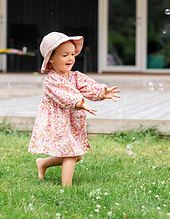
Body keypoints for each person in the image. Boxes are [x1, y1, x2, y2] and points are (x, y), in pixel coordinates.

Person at [28, 32, 120, 186]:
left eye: (72, 54)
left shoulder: (74, 76)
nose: (70, 58)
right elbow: (63, 96)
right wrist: (78, 103)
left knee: (77, 155)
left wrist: (101, 92)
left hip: (70, 122)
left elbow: (87, 85)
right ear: (51, 58)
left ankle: (43, 163)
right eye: (65, 55)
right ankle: (67, 187)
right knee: (72, 154)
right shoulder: (51, 81)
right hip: (57, 123)